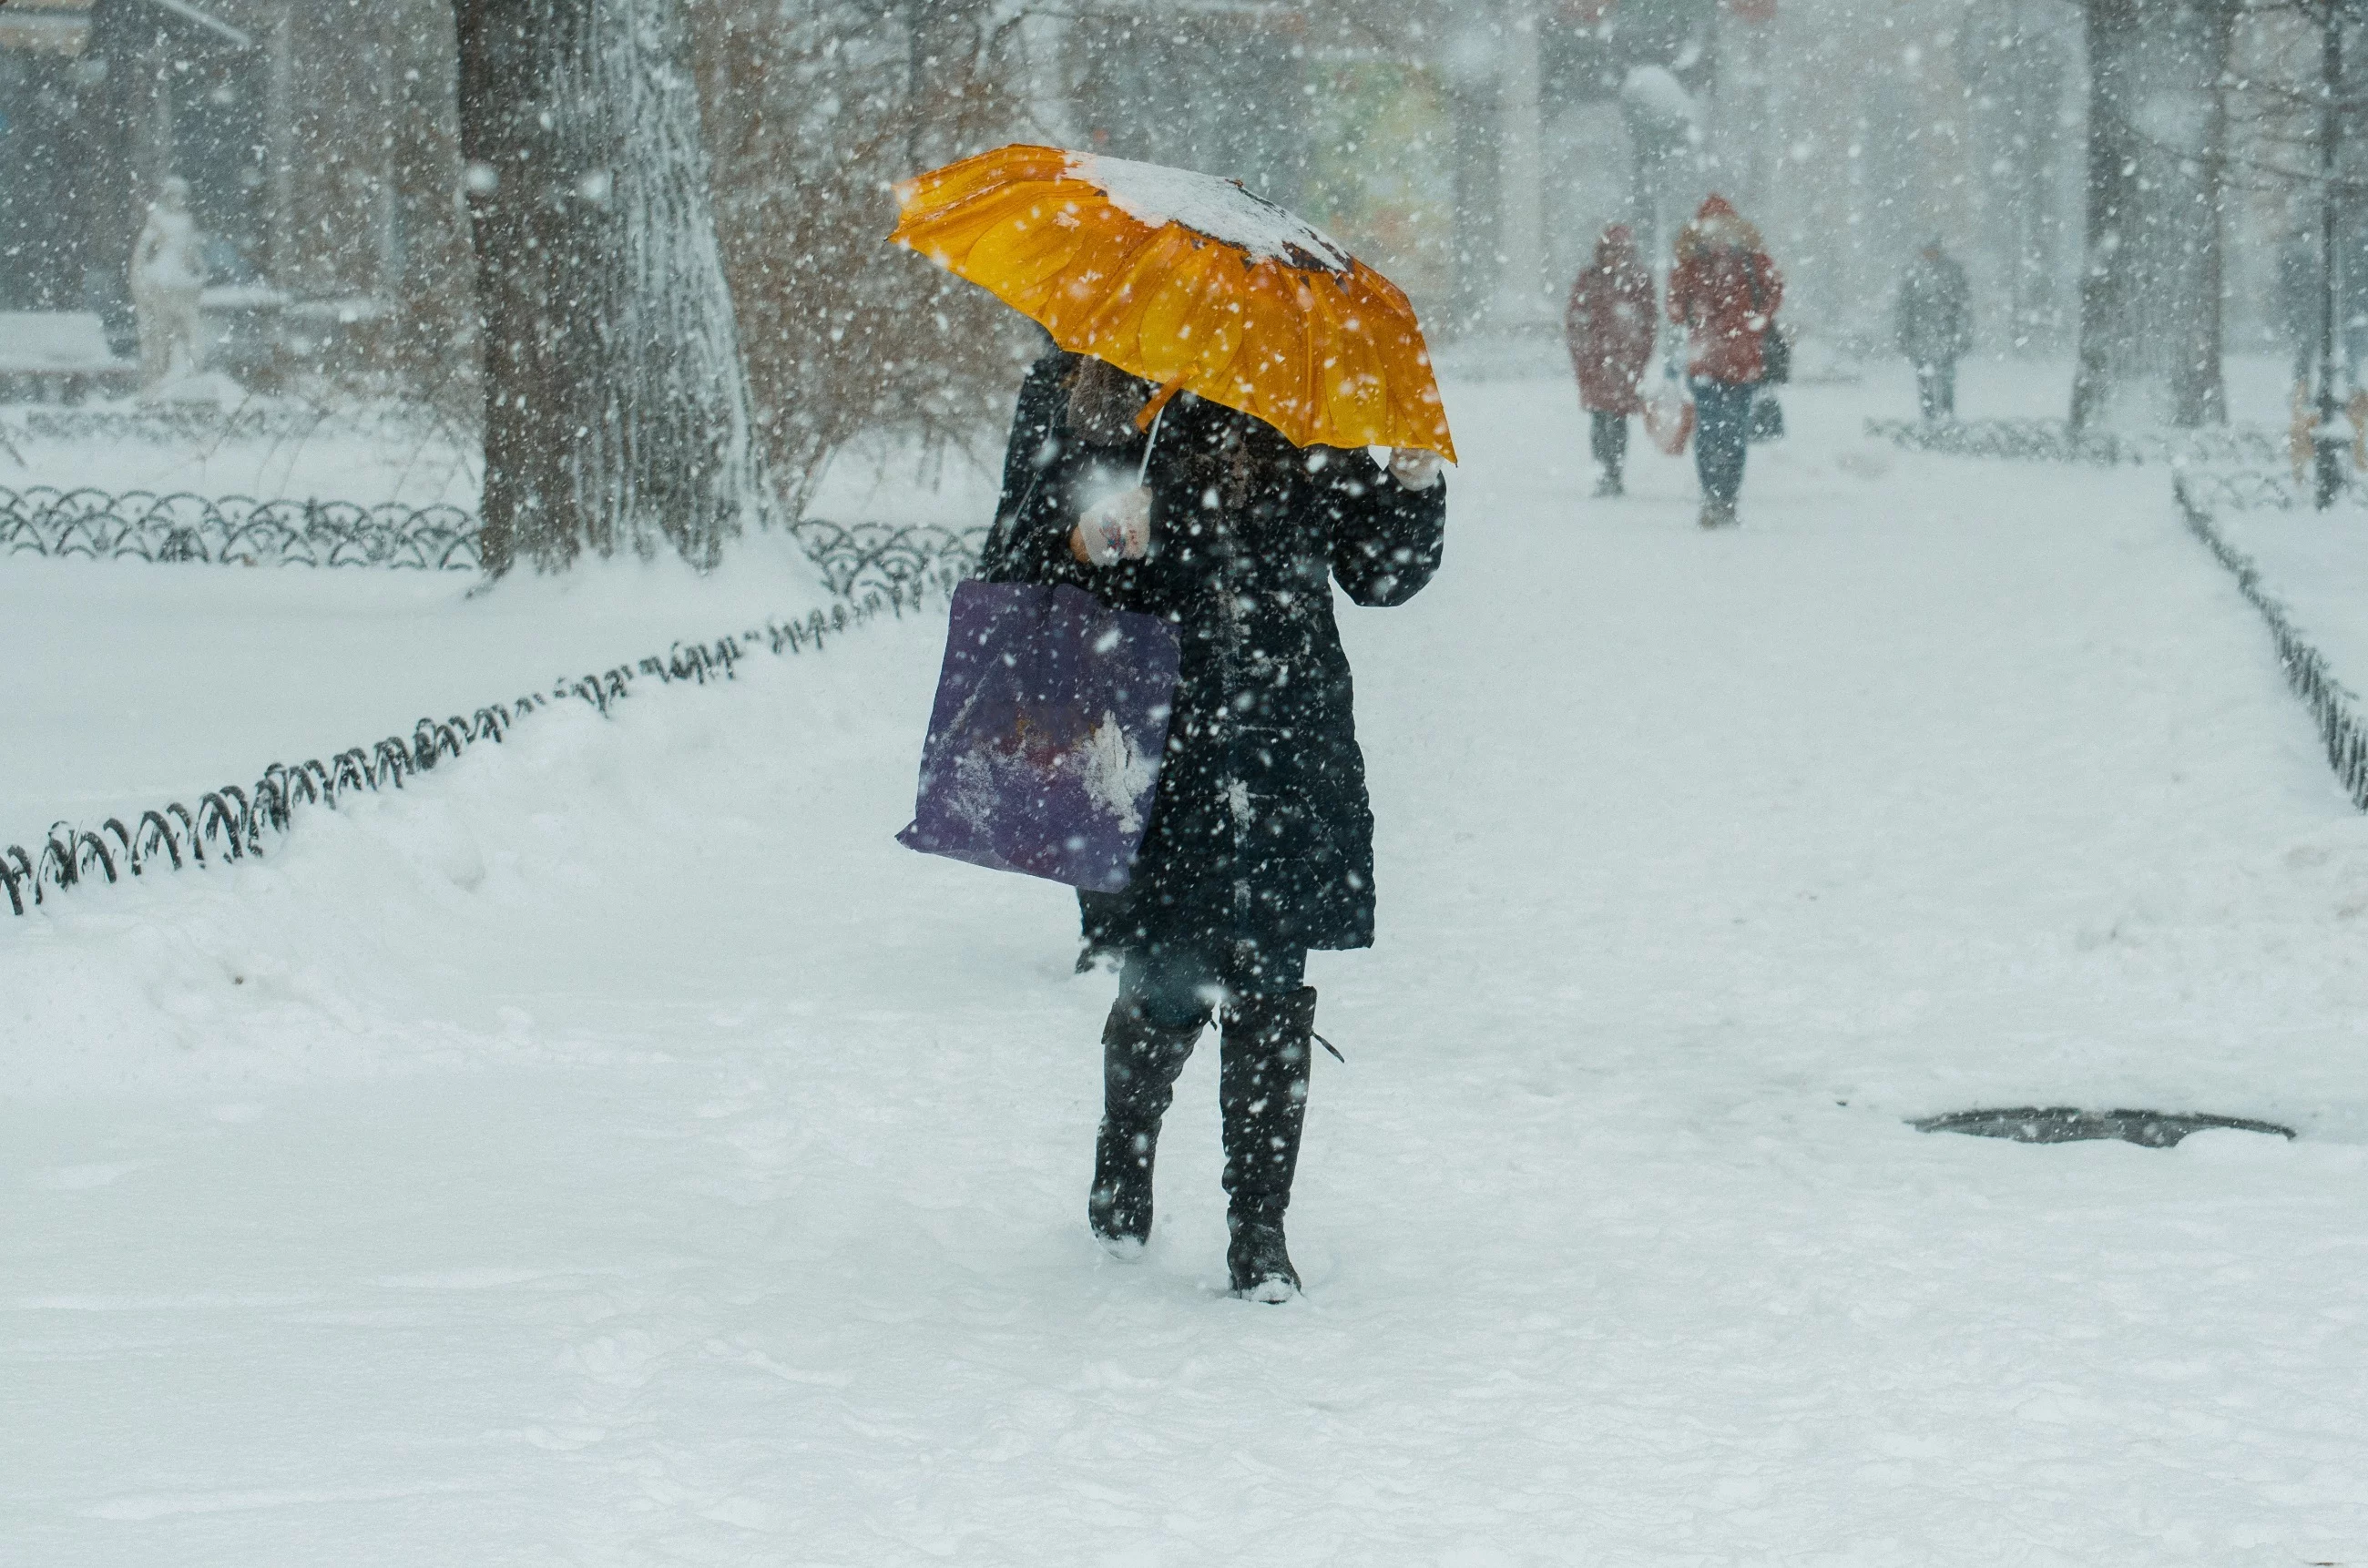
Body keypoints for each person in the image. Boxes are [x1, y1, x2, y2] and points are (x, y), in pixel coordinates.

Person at [978, 351, 1447, 1302]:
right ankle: (1124, 1157)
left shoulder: (1310, 406)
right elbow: (1016, 562)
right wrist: (1091, 540)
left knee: (1272, 977)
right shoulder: (1108, 398)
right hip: (1158, 734)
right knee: (1165, 975)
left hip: (1287, 729)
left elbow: (1380, 575)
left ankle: (1258, 1228)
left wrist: (1409, 482)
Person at [1666, 194, 1781, 529]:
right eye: (1711, 229)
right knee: (1708, 432)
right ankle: (1713, 497)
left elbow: (1775, 289)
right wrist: (1689, 311)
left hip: (1742, 364)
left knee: (1732, 433)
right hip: (1706, 364)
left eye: (1723, 229)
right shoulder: (1690, 265)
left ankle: (1726, 497)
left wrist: (1761, 318)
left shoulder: (1751, 262)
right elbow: (1673, 306)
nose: (1717, 236)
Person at [1565, 224, 1658, 497]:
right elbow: (1576, 320)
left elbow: (1649, 323)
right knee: (1599, 420)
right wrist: (1583, 354)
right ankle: (1604, 473)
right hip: (1595, 361)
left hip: (1623, 363)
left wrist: (1638, 356)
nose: (1614, 257)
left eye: (1620, 252)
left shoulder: (1638, 282)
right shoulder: (1589, 280)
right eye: (1610, 251)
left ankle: (1613, 473)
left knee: (1617, 421)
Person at [130, 177, 207, 391]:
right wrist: (140, 272)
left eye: (182, 196)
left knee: (190, 326)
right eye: (175, 196)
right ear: (168, 197)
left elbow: (192, 250)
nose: (179, 200)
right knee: (160, 329)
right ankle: (159, 372)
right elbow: (143, 248)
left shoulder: (187, 220)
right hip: (163, 275)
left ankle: (191, 369)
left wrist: (202, 271)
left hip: (181, 279)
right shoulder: (157, 218)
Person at [1895, 240, 1971, 422]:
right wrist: (1903, 336)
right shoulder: (1913, 274)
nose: (1929, 254)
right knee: (1925, 380)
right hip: (1921, 337)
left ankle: (1946, 415)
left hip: (1947, 335)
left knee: (1946, 379)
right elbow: (1904, 308)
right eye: (1926, 251)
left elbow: (1963, 307)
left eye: (1932, 251)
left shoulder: (1952, 272)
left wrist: (1963, 335)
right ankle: (1929, 418)